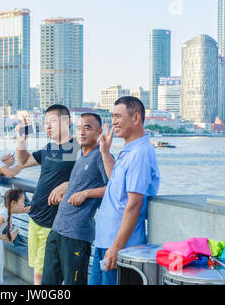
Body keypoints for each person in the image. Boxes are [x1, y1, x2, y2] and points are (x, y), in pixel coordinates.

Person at [90, 96, 160, 285]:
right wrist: (105, 151)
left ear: (136, 118)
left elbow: (134, 204)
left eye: (118, 116)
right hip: (105, 241)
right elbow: (116, 182)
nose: (113, 122)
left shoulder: (140, 153)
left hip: (120, 246)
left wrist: (117, 246)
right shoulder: (129, 150)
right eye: (112, 116)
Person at [41, 113, 109, 285]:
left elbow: (114, 187)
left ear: (99, 132)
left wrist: (86, 193)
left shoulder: (102, 156)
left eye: (88, 128)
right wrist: (68, 186)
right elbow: (82, 181)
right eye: (79, 128)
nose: (82, 132)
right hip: (58, 229)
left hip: (77, 234)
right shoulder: (80, 154)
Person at [16, 104, 79, 285]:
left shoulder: (76, 149)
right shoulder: (49, 148)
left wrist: (69, 184)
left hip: (53, 222)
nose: (47, 126)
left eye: (52, 121)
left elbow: (91, 178)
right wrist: (21, 141)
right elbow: (24, 161)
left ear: (67, 122)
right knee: (37, 271)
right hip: (35, 217)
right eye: (45, 123)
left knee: (44, 275)